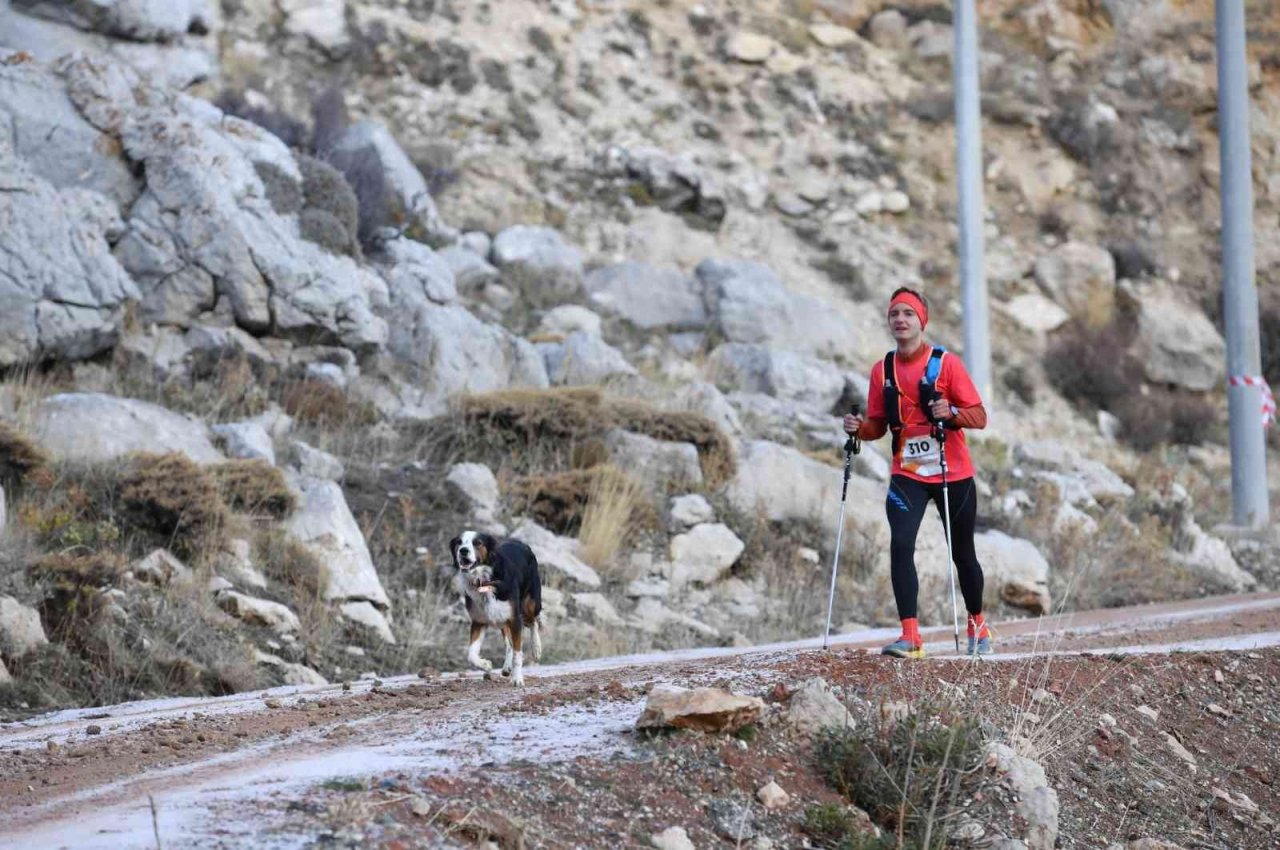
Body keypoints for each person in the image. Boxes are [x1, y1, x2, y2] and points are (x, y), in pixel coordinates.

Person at [843, 287, 992, 658]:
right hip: (907, 473)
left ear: (921, 321)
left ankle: (977, 621)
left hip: (952, 474)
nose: (900, 319)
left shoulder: (947, 364)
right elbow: (877, 426)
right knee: (900, 545)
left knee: (963, 554)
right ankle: (910, 636)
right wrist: (857, 429)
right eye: (894, 313)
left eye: (908, 313)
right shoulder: (883, 370)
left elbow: (980, 416)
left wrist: (951, 414)